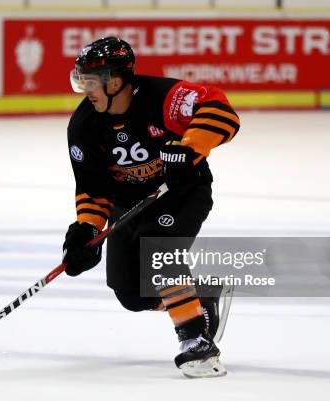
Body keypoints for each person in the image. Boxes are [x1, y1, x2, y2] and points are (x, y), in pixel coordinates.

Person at [62, 37, 240, 378]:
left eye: (89, 80)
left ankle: (195, 340)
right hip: (129, 205)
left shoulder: (164, 98)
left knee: (157, 246)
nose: (84, 88)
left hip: (181, 193)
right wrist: (86, 229)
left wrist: (190, 148)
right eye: (80, 79)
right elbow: (92, 187)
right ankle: (200, 298)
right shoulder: (84, 125)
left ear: (115, 81)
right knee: (131, 294)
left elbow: (221, 110)